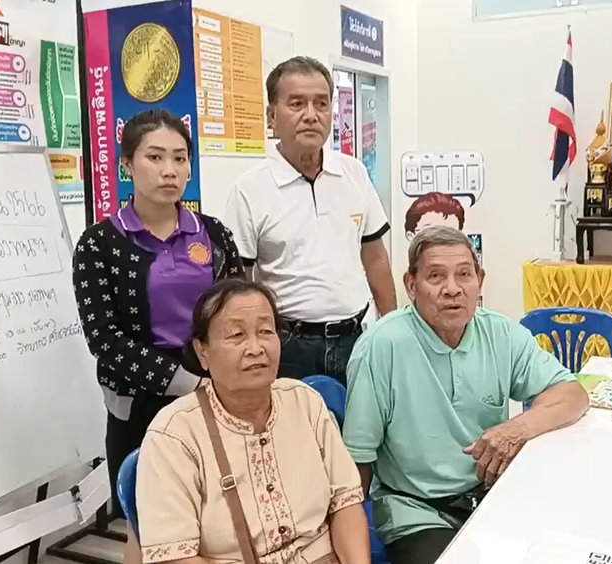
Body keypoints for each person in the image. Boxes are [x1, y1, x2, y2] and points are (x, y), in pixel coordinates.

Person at [342, 226, 590, 564]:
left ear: (480, 280)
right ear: (411, 285)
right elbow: (357, 462)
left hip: (492, 497)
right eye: (435, 276)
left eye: (464, 274)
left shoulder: (500, 333)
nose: (452, 289)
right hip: (417, 511)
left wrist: (516, 429)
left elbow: (573, 394)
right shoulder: (381, 347)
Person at [72, 109, 244, 559]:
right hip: (141, 403)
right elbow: (104, 340)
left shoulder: (213, 234)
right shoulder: (99, 244)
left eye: (180, 158)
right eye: (155, 157)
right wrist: (190, 384)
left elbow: (237, 312)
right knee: (147, 524)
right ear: (127, 164)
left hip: (217, 393)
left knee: (217, 514)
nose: (170, 170)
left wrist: (225, 379)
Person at [136, 279, 371, 564]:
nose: (256, 348)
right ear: (202, 351)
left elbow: (346, 502)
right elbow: (174, 557)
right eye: (236, 335)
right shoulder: (174, 435)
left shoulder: (305, 402)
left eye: (266, 331)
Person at [224, 56, 397, 386]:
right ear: (272, 117)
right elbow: (239, 281)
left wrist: (393, 329)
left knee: (363, 421)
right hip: (289, 345)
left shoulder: (354, 172)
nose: (311, 115)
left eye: (321, 103)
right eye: (296, 104)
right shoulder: (249, 189)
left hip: (358, 338)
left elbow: (375, 258)